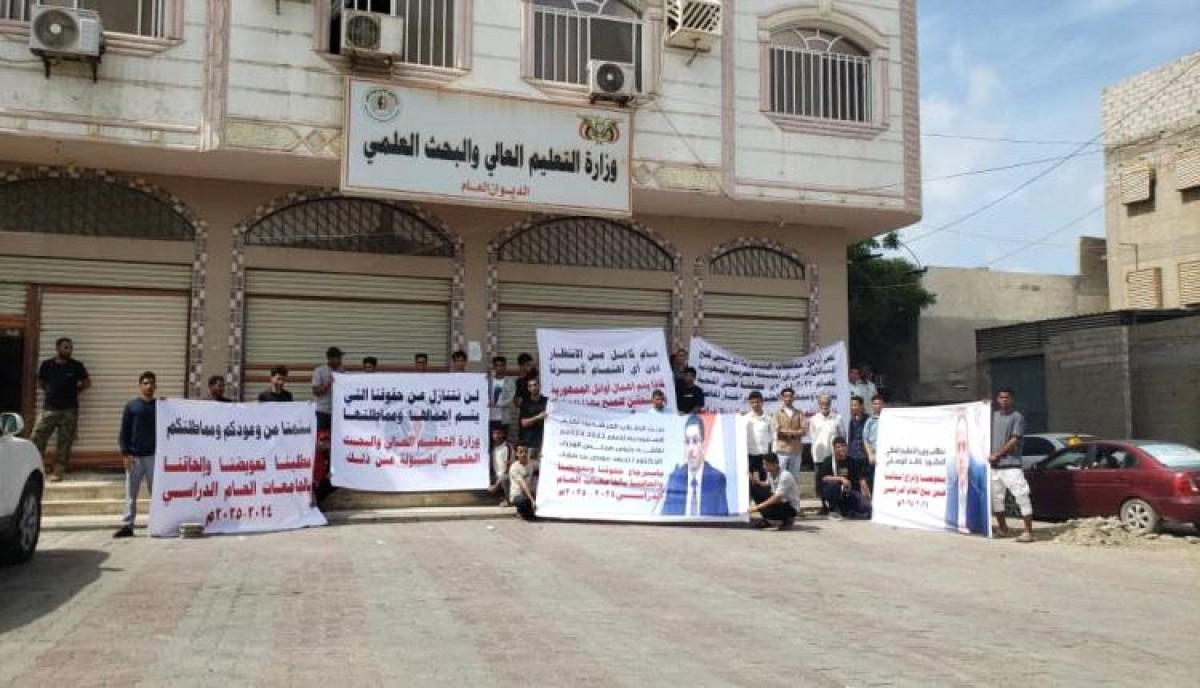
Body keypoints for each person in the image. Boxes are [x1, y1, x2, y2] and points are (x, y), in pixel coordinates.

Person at [31, 336, 91, 482]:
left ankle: (58, 471)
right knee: (37, 437)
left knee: (65, 441)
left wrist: (75, 392)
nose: (68, 350)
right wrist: (51, 392)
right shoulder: (47, 365)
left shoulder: (76, 366)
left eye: (70, 347)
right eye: (65, 347)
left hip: (69, 410)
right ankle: (35, 467)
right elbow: (40, 382)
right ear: (57, 348)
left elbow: (87, 383)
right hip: (49, 409)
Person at [114, 371, 157, 538]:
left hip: (153, 456)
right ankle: (127, 525)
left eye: (151, 383)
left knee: (156, 493)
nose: (149, 386)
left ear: (155, 386)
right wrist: (125, 453)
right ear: (140, 386)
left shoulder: (160, 407)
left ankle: (156, 524)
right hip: (135, 457)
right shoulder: (132, 406)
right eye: (145, 383)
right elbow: (124, 431)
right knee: (131, 493)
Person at [989, 388, 1035, 542]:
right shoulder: (993, 417)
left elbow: (1014, 440)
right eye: (1001, 397)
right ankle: (1003, 529)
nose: (1004, 400)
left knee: (1021, 496)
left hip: (1011, 465)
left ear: (1012, 400)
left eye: (1007, 397)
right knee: (996, 499)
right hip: (994, 468)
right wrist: (981, 406)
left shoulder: (1017, 417)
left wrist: (997, 455)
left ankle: (1028, 532)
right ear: (997, 399)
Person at [662, 414, 729, 516]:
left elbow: (723, 517)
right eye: (687, 442)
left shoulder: (717, 478)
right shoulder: (675, 477)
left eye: (695, 441)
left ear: (703, 444)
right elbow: (666, 514)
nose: (690, 449)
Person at [946, 413, 989, 535]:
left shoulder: (980, 477)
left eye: (964, 447)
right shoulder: (950, 476)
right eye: (958, 447)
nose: (961, 457)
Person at [808, 394, 844, 513]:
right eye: (822, 403)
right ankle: (823, 505)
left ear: (830, 404)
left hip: (833, 456)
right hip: (819, 455)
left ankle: (836, 504)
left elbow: (842, 436)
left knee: (835, 480)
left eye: (827, 403)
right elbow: (813, 437)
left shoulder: (837, 418)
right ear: (819, 404)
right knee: (820, 482)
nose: (825, 406)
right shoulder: (813, 419)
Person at [821, 437, 872, 520]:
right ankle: (833, 511)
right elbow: (824, 478)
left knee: (866, 508)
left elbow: (861, 479)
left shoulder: (852, 461)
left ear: (846, 447)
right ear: (834, 449)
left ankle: (849, 510)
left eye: (843, 446)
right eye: (838, 447)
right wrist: (841, 479)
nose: (841, 449)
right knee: (833, 486)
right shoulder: (828, 461)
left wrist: (868, 494)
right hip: (834, 491)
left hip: (849, 492)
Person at [748, 454, 800, 530]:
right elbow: (766, 484)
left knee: (767, 503)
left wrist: (757, 508)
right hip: (778, 501)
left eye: (766, 465)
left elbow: (777, 498)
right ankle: (768, 519)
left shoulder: (785, 476)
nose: (764, 467)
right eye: (764, 464)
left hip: (789, 507)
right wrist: (753, 481)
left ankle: (787, 519)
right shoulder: (770, 472)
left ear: (775, 464)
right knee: (754, 488)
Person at [772, 387, 807, 480]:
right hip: (782, 450)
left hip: (796, 450)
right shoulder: (777, 413)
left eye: (790, 396)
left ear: (793, 398)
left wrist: (788, 433)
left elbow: (804, 430)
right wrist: (795, 433)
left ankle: (792, 495)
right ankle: (780, 495)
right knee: (780, 477)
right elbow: (778, 430)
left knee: (793, 478)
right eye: (786, 396)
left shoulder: (799, 413)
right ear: (782, 398)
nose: (788, 398)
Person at [743, 391, 775, 482]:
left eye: (758, 402)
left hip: (764, 454)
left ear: (762, 402)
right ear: (749, 403)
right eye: (753, 402)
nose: (756, 404)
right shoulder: (745, 418)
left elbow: (773, 436)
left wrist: (771, 451)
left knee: (765, 479)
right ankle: (750, 495)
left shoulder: (768, 418)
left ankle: (765, 496)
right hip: (749, 453)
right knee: (748, 479)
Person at [312, 346, 343, 431]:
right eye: (338, 358)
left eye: (340, 358)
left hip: (337, 413)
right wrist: (327, 384)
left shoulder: (342, 372)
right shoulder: (319, 371)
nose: (340, 360)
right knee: (322, 439)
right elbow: (315, 391)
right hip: (322, 413)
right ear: (330, 358)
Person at [519, 377, 548, 463]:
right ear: (528, 389)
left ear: (539, 386)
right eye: (530, 386)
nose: (533, 388)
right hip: (530, 442)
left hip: (545, 442)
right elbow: (523, 423)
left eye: (535, 385)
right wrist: (538, 417)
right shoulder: (525, 404)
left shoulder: (547, 401)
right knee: (530, 468)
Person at [846, 396, 871, 499]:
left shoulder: (868, 420)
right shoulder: (851, 421)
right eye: (852, 405)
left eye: (855, 405)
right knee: (856, 480)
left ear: (861, 406)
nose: (853, 407)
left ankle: (869, 500)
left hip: (865, 455)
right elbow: (851, 437)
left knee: (866, 479)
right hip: (854, 455)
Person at [489, 356, 517, 438]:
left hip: (504, 418)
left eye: (501, 365)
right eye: (497, 365)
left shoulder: (510, 381)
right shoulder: (489, 381)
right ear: (494, 367)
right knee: (490, 442)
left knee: (503, 441)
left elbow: (510, 398)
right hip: (490, 417)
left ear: (505, 366)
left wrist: (497, 405)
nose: (499, 367)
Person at [487, 423, 513, 506]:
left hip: (506, 476)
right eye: (494, 433)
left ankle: (508, 499)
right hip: (496, 476)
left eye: (499, 433)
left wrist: (496, 485)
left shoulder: (507, 447)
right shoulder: (493, 448)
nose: (496, 436)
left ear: (503, 434)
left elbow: (507, 469)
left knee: (505, 478)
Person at [508, 443, 536, 520]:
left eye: (525, 451)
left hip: (529, 494)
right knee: (523, 502)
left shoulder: (531, 463)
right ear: (517, 454)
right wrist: (532, 500)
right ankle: (523, 513)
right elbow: (523, 485)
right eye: (520, 452)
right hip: (517, 495)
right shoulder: (514, 467)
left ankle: (526, 512)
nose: (524, 454)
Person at [862, 394, 884, 493]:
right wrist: (870, 454)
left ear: (883, 405)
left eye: (879, 403)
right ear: (872, 405)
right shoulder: (869, 421)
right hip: (874, 454)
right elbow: (865, 439)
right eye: (875, 404)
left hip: (887, 454)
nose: (877, 405)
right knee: (873, 478)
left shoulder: (889, 418)